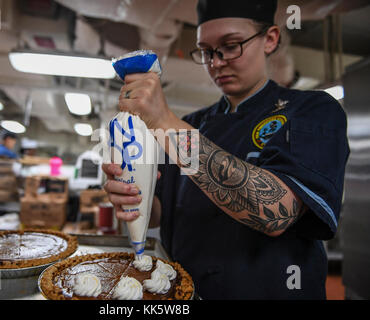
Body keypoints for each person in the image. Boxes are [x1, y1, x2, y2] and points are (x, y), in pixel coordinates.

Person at [102, 0, 349, 299]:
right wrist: (130, 198)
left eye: (230, 46)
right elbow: (159, 213)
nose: (216, 62)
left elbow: (275, 213)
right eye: (205, 51)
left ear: (270, 39)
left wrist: (164, 121)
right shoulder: (192, 124)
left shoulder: (312, 111)